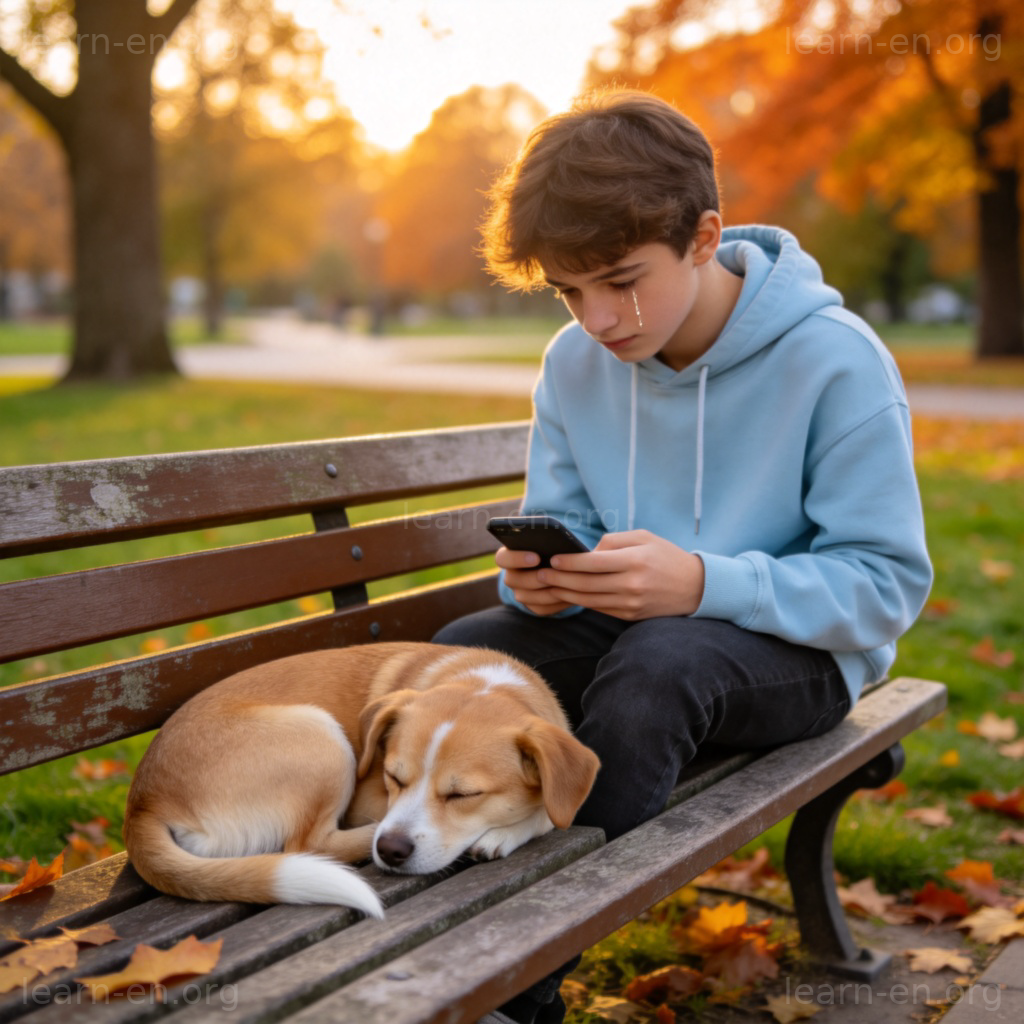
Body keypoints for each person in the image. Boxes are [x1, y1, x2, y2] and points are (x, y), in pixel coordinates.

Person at [434, 89, 933, 1024]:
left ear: (703, 238)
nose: (597, 319)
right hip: (628, 632)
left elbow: (884, 585)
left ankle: (511, 994)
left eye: (621, 281)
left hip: (801, 655)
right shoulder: (574, 363)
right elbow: (563, 517)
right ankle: (409, 922)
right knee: (463, 656)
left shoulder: (835, 359)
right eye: (568, 291)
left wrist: (705, 582)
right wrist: (545, 583)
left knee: (663, 664)